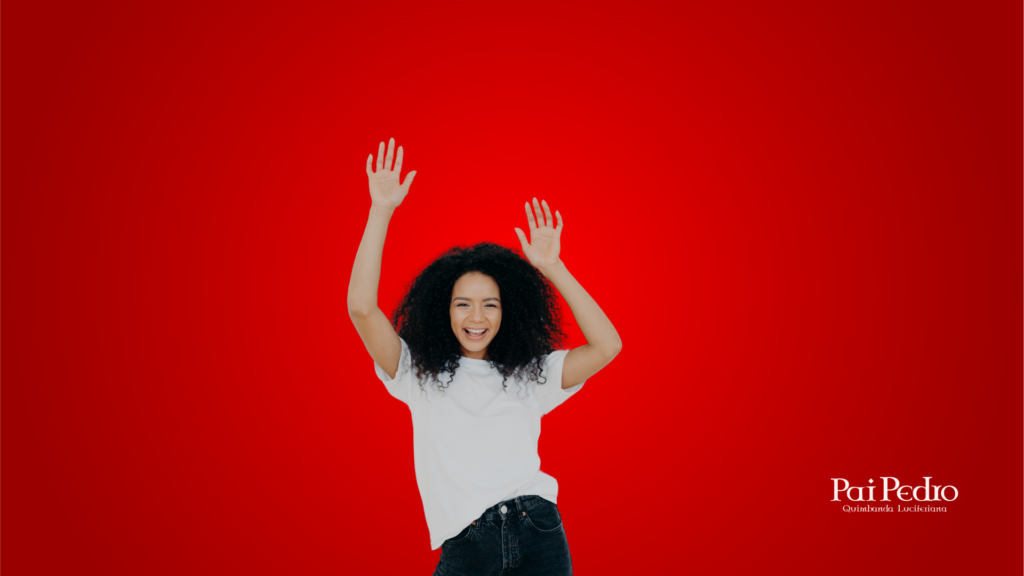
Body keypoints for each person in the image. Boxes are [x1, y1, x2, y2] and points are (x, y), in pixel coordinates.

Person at [347, 138, 622, 575]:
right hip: (468, 543)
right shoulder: (417, 372)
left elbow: (608, 346)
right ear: (444, 309)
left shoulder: (531, 375)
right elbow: (362, 308)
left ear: (506, 311)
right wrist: (380, 210)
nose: (477, 317)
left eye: (490, 304)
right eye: (463, 304)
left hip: (539, 530)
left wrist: (553, 266)